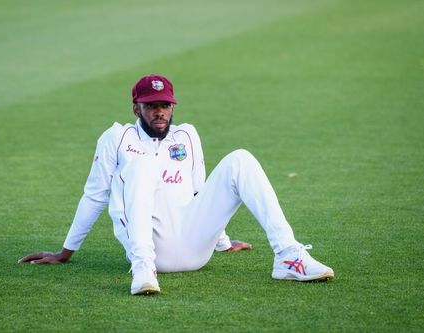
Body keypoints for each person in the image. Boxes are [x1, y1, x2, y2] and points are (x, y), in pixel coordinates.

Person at [18, 74, 334, 295]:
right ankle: (142, 270)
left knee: (241, 158)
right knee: (141, 164)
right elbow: (95, 197)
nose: (159, 111)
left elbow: (201, 191)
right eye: (151, 105)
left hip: (196, 250)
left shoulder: (186, 135)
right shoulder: (117, 138)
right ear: (135, 108)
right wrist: (65, 252)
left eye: (165, 105)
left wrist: (222, 241)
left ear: (173, 107)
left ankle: (288, 257)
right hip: (154, 252)